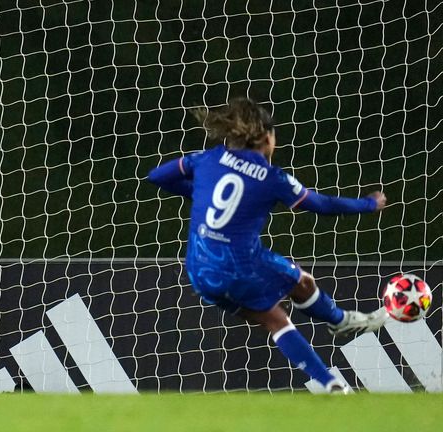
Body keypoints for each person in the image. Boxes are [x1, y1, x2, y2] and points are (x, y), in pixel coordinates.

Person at [148, 97, 388, 393]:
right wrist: (368, 204)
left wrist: (199, 192)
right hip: (240, 264)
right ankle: (338, 324)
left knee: (284, 303)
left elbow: (157, 176)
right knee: (293, 292)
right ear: (266, 137)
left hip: (200, 269)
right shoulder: (273, 178)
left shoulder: (207, 158)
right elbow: (323, 205)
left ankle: (332, 379)